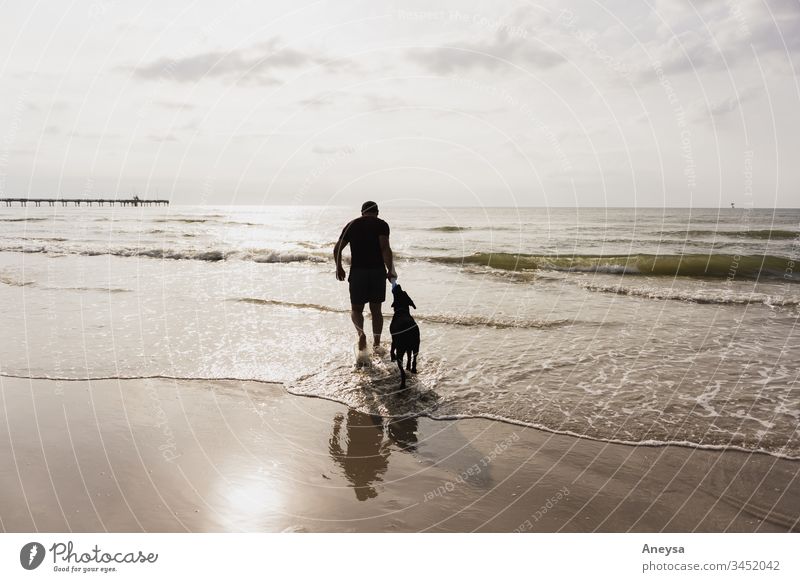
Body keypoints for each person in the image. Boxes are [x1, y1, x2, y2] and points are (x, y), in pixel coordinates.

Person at [333, 201, 396, 351]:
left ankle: (361, 334)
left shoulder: (352, 224)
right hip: (377, 272)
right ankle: (376, 343)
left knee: (356, 309)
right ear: (377, 212)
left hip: (358, 272)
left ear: (362, 212)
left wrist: (339, 267)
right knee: (376, 310)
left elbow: (337, 249)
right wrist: (390, 270)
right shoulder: (381, 225)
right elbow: (385, 248)